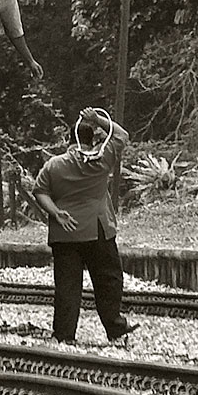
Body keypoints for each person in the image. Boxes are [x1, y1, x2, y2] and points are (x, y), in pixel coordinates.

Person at [32, 107, 138, 343]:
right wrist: (98, 118)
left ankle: (64, 334)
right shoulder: (102, 160)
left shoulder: (54, 165)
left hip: (65, 233)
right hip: (98, 230)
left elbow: (39, 191)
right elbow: (122, 135)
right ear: (93, 139)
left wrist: (57, 213)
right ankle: (115, 328)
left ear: (69, 139)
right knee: (108, 279)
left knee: (67, 286)